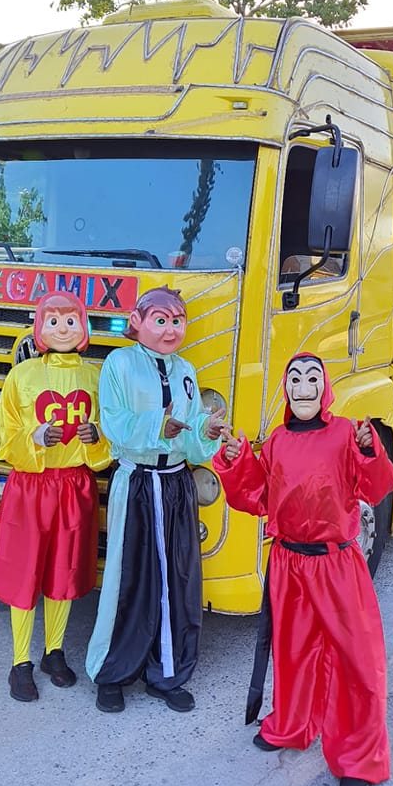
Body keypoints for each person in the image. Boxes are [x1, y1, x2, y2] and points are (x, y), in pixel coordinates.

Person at [212, 352, 393, 786]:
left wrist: (369, 448)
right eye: (294, 378)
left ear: (324, 388)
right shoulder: (276, 439)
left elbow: (375, 485)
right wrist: (239, 460)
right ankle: (292, 725)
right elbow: (259, 495)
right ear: (286, 388)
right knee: (294, 653)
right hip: (288, 563)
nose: (302, 387)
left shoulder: (343, 435)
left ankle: (360, 756)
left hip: (335, 564)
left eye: (312, 378)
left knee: (355, 660)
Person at [85, 287, 225, 714]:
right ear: (138, 321)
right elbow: (114, 422)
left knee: (176, 581)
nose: (170, 329)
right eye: (160, 320)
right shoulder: (119, 364)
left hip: (176, 485)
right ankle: (112, 672)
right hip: (139, 483)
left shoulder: (186, 370)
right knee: (129, 579)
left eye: (177, 320)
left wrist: (206, 433)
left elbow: (193, 433)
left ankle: (168, 670)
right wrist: (157, 428)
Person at [0, 292, 112, 702]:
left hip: (75, 486)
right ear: (39, 328)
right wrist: (36, 437)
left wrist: (96, 438)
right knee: (25, 572)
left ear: (84, 328)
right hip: (31, 488)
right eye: (53, 321)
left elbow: (108, 435)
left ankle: (53, 651)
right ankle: (19, 661)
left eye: (71, 320)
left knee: (63, 570)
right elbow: (7, 439)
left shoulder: (96, 378)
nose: (62, 329)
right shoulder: (21, 377)